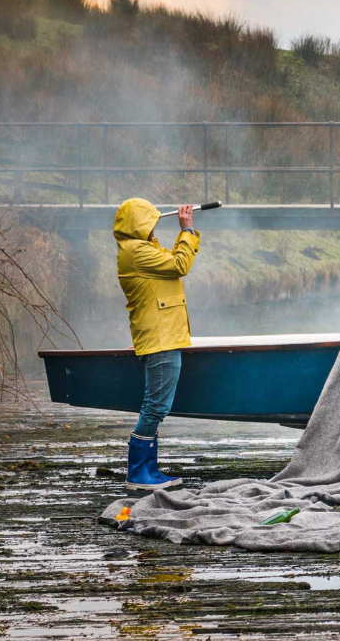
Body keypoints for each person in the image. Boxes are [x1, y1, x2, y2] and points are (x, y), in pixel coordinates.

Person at [112, 198, 200, 490]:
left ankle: (147, 470)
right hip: (160, 338)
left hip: (163, 336)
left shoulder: (140, 249)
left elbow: (170, 262)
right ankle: (138, 472)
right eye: (149, 222)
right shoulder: (136, 252)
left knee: (156, 405)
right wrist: (187, 229)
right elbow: (179, 263)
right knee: (156, 406)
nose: (154, 227)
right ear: (138, 225)